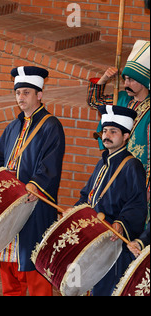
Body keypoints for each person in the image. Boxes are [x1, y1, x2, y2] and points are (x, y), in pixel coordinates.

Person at [0, 66, 65, 296]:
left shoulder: (51, 126)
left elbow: (50, 166)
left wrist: (35, 184)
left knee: (33, 262)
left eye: (26, 92)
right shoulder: (13, 126)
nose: (21, 98)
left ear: (39, 95)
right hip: (9, 204)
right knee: (9, 262)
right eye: (18, 93)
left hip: (34, 205)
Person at [72, 105, 147, 295]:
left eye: (113, 132)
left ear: (126, 136)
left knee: (106, 288)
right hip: (96, 235)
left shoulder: (133, 165)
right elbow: (87, 195)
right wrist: (73, 213)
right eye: (105, 131)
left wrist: (121, 223)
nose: (107, 135)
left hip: (115, 241)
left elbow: (137, 204)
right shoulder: (103, 162)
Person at [87, 40, 150, 224]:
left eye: (131, 79)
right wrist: (105, 79)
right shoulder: (120, 97)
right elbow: (94, 101)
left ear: (145, 81)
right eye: (125, 79)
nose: (126, 83)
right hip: (114, 173)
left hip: (139, 178)